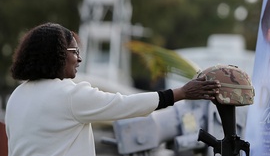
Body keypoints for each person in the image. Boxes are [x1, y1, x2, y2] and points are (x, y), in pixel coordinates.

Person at [5, 22, 221, 156]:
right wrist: (181, 93)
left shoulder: (17, 96)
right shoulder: (69, 95)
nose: (79, 59)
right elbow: (124, 105)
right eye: (74, 51)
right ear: (57, 54)